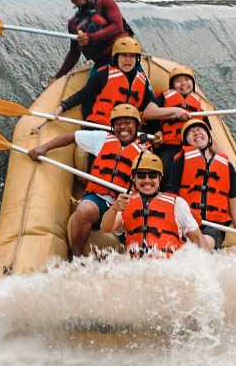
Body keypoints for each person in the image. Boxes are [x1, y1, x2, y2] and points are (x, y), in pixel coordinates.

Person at [28, 103, 149, 258]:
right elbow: (72, 137)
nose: (123, 127)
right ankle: (77, 258)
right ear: (112, 126)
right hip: (99, 199)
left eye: (128, 123)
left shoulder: (145, 151)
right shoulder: (102, 139)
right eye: (118, 124)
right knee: (84, 209)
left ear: (137, 126)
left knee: (138, 240)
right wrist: (44, 148)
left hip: (124, 204)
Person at [53, 36, 191, 127]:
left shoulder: (142, 81)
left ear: (137, 59)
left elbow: (149, 111)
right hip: (101, 126)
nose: (127, 60)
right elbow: (83, 94)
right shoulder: (104, 75)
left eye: (132, 56)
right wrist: (62, 107)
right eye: (124, 56)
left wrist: (174, 112)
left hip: (127, 132)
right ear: (116, 57)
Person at [168, 119, 236, 249]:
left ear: (210, 138)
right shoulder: (180, 162)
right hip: (187, 221)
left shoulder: (227, 167)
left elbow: (233, 201)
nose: (196, 132)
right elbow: (171, 194)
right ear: (186, 141)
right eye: (191, 132)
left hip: (213, 225)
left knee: (204, 243)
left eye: (200, 129)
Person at [100, 152, 211, 257]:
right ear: (134, 178)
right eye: (141, 175)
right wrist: (114, 208)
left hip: (167, 266)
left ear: (160, 178)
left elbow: (197, 239)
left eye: (152, 175)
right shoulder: (125, 203)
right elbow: (105, 228)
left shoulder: (178, 203)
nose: (147, 180)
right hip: (136, 266)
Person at [52, 0, 132, 82]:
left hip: (126, 59)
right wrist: (57, 77)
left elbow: (117, 27)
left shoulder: (105, 2)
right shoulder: (73, 23)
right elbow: (74, 54)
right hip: (102, 64)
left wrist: (90, 38)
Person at [149, 65, 207, 180]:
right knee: (165, 170)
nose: (184, 83)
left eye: (187, 80)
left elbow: (210, 136)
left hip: (193, 148)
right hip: (169, 147)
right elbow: (147, 113)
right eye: (178, 81)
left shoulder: (199, 107)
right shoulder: (163, 98)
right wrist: (175, 110)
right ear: (172, 85)